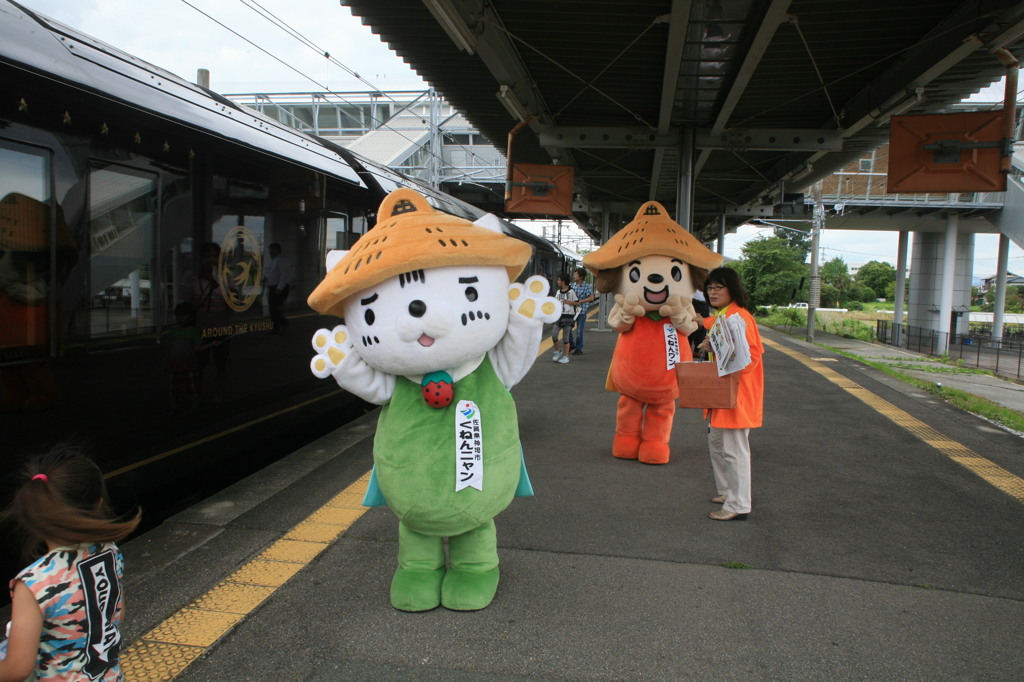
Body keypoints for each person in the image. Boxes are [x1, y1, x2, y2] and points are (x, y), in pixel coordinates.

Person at [0, 445, 140, 681]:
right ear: (97, 503)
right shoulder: (109, 553)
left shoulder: (34, 583)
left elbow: (18, 668)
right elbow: (118, 613)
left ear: (34, 515)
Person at [697, 267, 764, 521]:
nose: (712, 292)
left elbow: (752, 357)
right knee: (718, 444)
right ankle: (727, 492)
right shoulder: (724, 315)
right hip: (722, 394)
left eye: (718, 287)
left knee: (734, 450)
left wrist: (716, 347)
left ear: (731, 289)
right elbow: (714, 326)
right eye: (710, 288)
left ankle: (738, 505)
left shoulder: (739, 317)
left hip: (736, 394)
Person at [551, 273, 578, 364]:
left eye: (559, 280)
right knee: (554, 334)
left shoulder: (571, 292)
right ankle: (558, 351)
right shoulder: (558, 292)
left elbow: (577, 303)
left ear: (563, 282)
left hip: (568, 316)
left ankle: (566, 356)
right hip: (558, 316)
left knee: (565, 337)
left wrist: (569, 302)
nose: (557, 281)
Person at [263, 242, 290, 334]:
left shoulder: (280, 261)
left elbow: (284, 275)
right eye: (270, 250)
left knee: (274, 308)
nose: (270, 252)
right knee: (272, 308)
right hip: (272, 287)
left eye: (272, 250)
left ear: (277, 250)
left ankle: (283, 323)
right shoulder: (272, 261)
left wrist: (280, 288)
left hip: (278, 288)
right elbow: (270, 274)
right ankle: (275, 327)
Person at [568, 267, 595, 355]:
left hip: (582, 311)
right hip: (572, 311)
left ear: (581, 276)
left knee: (579, 331)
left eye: (576, 274)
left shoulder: (586, 286)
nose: (574, 276)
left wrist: (581, 301)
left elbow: (591, 297)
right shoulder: (572, 286)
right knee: (568, 329)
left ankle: (579, 348)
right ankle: (572, 344)